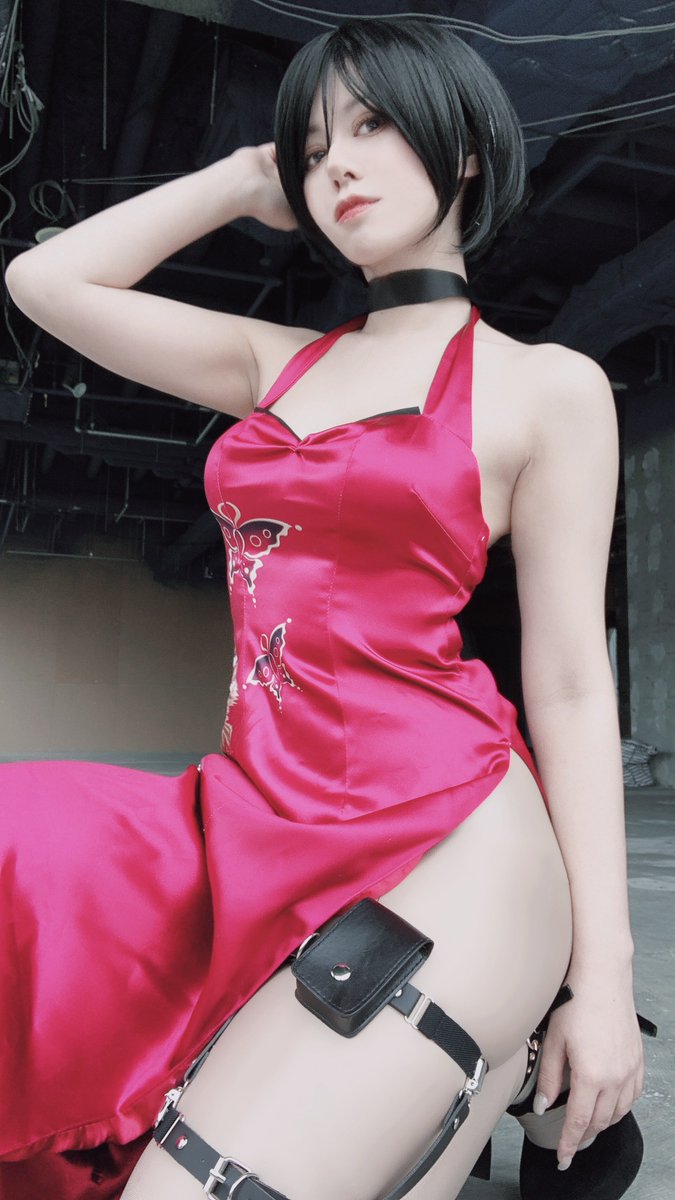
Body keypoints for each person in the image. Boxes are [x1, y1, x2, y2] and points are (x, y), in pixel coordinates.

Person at [2, 17, 648, 1200]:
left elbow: (567, 682)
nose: (336, 164)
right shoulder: (276, 364)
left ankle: (500, 1049)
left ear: (462, 151)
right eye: (312, 149)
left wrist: (603, 978)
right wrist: (242, 178)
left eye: (372, 125)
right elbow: (43, 283)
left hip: (449, 828)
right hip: (263, 811)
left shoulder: (543, 387)